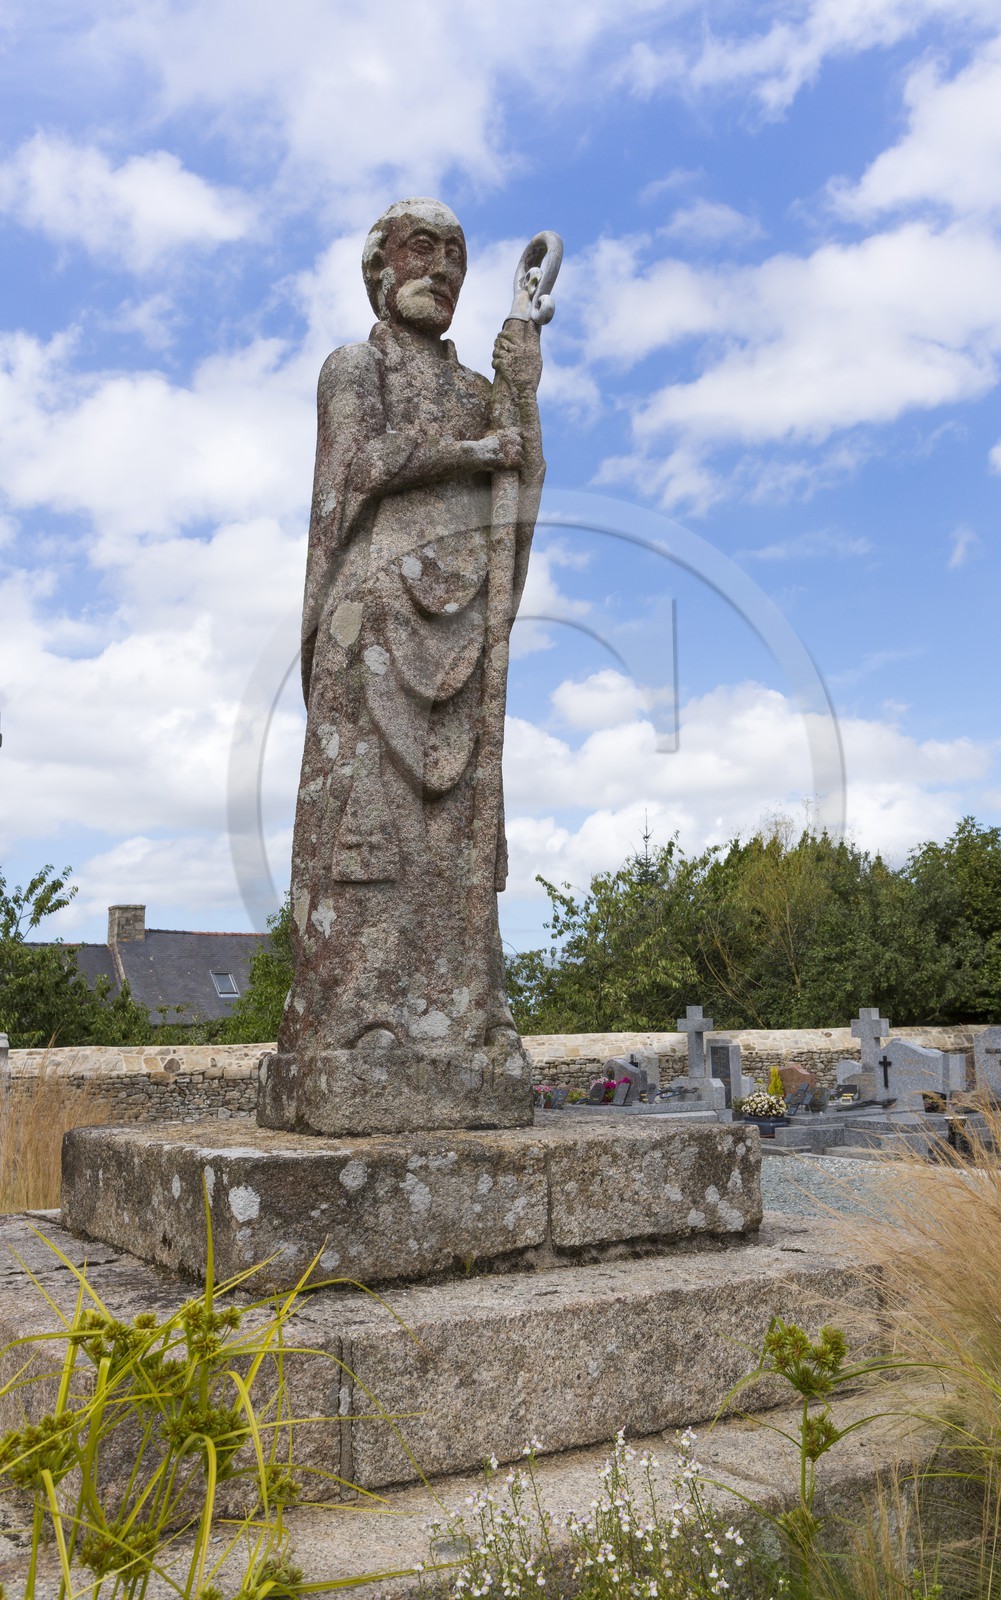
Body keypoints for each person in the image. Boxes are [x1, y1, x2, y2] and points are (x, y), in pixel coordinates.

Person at [259, 199, 545, 1136]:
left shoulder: (474, 390)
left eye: (459, 255)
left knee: (454, 837)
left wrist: (521, 397)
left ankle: (462, 1018)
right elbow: (360, 466)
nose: (446, 268)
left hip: (457, 628)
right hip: (369, 624)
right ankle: (353, 1021)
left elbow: (517, 492)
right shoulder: (354, 368)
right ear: (381, 265)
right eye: (426, 248)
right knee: (368, 833)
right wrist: (476, 448)